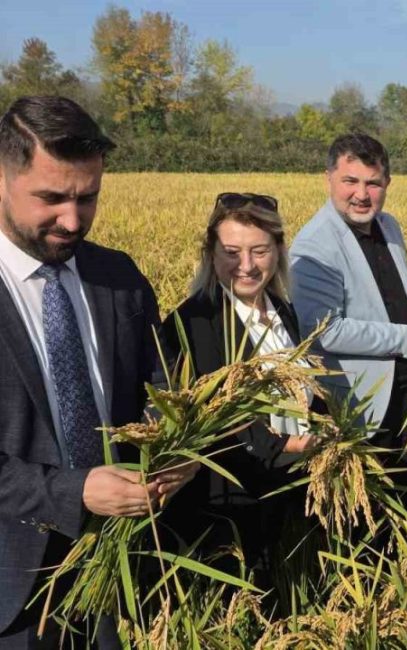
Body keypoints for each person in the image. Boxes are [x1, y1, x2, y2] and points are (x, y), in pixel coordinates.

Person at [0, 96, 195, 646]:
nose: (72, 219)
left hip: (113, 573)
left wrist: (179, 456)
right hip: (11, 590)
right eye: (52, 197)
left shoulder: (118, 276)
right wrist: (73, 491)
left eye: (88, 198)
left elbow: (163, 388)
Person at [159, 193, 317, 601]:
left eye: (260, 251)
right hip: (230, 504)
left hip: (285, 492)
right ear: (210, 254)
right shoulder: (194, 321)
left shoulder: (283, 310)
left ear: (278, 251)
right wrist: (286, 448)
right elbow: (213, 418)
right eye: (232, 252)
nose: (246, 266)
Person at [289, 134, 407, 482]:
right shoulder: (315, 245)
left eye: (373, 183)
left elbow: (386, 298)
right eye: (350, 181)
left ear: (387, 183)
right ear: (328, 178)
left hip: (405, 389)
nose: (361, 194)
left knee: (406, 483)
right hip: (360, 401)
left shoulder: (389, 227)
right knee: (365, 501)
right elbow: (325, 330)